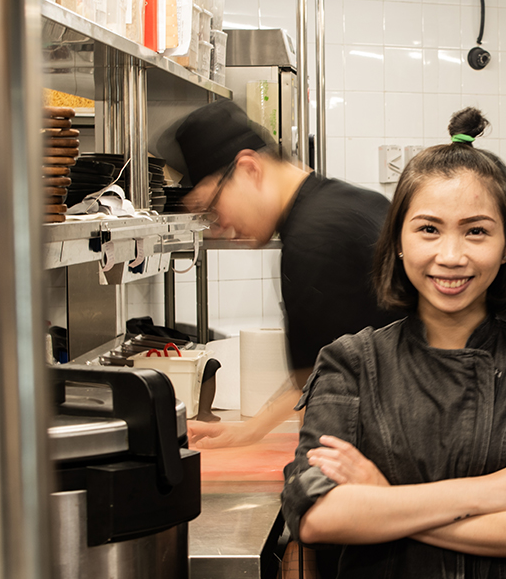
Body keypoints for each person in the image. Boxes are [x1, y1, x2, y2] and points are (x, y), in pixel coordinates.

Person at [280, 108, 506, 579]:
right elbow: (315, 515)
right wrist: (484, 493)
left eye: (476, 232)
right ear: (398, 241)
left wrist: (382, 501)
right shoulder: (351, 361)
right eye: (429, 229)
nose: (451, 256)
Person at [164, 100, 399, 448]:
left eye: (213, 207)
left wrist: (306, 469)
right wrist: (249, 431)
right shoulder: (344, 202)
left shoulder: (314, 241)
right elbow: (318, 368)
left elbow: (327, 393)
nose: (218, 226)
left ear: (249, 169)